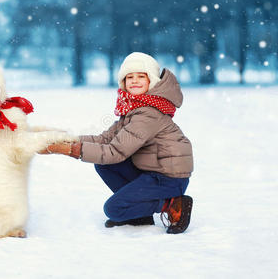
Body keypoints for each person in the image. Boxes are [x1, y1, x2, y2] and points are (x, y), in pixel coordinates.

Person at [39, 52, 194, 234]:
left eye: (140, 76)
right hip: (152, 171)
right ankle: (139, 215)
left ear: (151, 81)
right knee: (105, 166)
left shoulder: (148, 114)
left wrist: (70, 150)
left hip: (168, 179)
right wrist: (67, 140)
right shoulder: (134, 108)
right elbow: (105, 139)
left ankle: (172, 204)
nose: (134, 81)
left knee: (114, 209)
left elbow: (114, 152)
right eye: (129, 77)